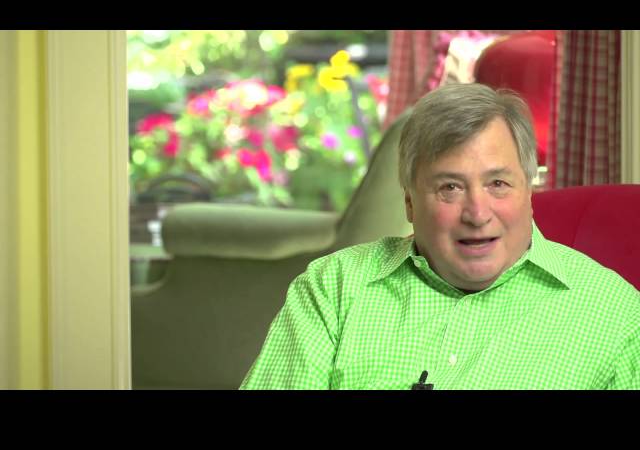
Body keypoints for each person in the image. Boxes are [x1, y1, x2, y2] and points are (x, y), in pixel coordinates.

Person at [240, 83, 640, 390]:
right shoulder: (334, 288)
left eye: (498, 184)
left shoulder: (615, 315)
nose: (477, 214)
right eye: (450, 187)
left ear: (528, 192)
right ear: (410, 204)